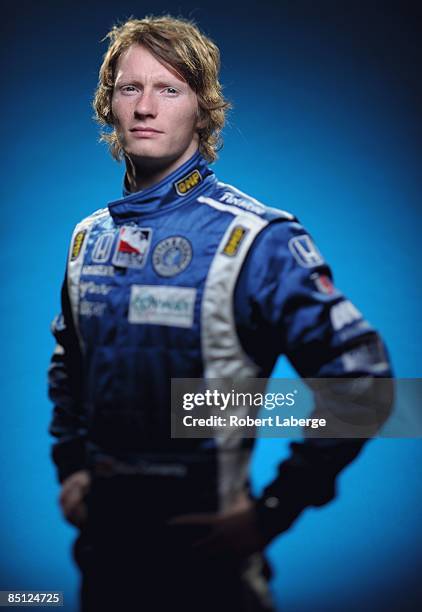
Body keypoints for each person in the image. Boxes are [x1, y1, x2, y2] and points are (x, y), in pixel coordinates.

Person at [48, 15, 393, 612]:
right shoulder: (87, 239)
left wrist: (272, 511)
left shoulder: (257, 237)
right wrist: (71, 467)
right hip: (105, 563)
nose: (145, 107)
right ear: (109, 105)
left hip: (210, 572)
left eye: (169, 89)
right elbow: (69, 369)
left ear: (203, 109)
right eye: (130, 88)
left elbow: (365, 386)